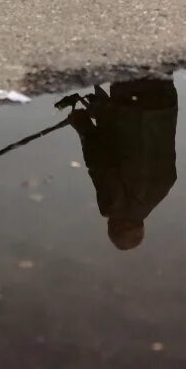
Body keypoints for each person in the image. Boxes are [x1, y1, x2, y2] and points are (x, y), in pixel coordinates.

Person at [67, 77, 179, 251]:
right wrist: (83, 125)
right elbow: (100, 163)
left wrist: (102, 112)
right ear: (115, 227)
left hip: (163, 103)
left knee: (154, 56)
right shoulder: (114, 207)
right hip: (129, 108)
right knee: (126, 60)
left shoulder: (163, 188)